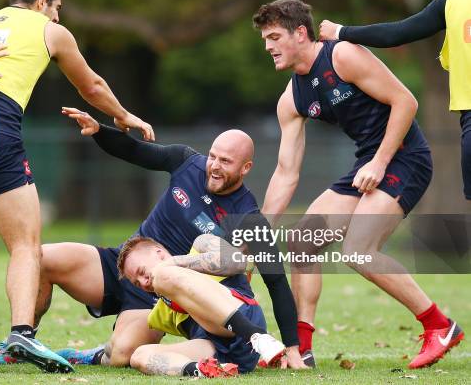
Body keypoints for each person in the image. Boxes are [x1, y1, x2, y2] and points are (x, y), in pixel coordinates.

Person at [0, 0, 153, 373]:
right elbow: (92, 87)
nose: (59, 16)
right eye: (57, 7)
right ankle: (21, 334)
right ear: (42, 0)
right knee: (26, 245)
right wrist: (123, 117)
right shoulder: (48, 30)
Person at [253, 0, 463, 369]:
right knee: (302, 240)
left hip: (404, 158)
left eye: (274, 37)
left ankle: (439, 326)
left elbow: (406, 101)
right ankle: (302, 348)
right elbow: (286, 172)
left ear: (300, 33)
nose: (267, 46)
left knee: (358, 249)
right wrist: (260, 234)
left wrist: (380, 163)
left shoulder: (343, 55)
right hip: (368, 165)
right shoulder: (291, 99)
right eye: (265, 39)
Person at [23, 107, 306, 369]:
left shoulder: (248, 217)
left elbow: (276, 282)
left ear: (245, 168)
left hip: (160, 292)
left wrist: (293, 347)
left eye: (226, 162)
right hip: (126, 260)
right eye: (213, 156)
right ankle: (24, 341)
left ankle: (94, 354)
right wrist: (99, 131)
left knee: (121, 355)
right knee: (42, 258)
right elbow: (136, 151)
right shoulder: (187, 162)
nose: (215, 166)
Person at [319, 0, 471, 201]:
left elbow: (396, 34)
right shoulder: (454, 2)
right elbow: (395, 34)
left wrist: (340, 31)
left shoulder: (456, 2)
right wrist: (340, 33)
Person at [117, 235, 286, 377]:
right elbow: (120, 352)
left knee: (163, 275)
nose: (143, 283)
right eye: (137, 284)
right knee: (140, 355)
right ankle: (206, 370)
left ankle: (257, 336)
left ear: (159, 253)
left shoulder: (200, 245)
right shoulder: (161, 310)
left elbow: (238, 261)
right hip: (222, 353)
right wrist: (91, 355)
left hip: (243, 313)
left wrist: (174, 263)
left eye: (141, 272)